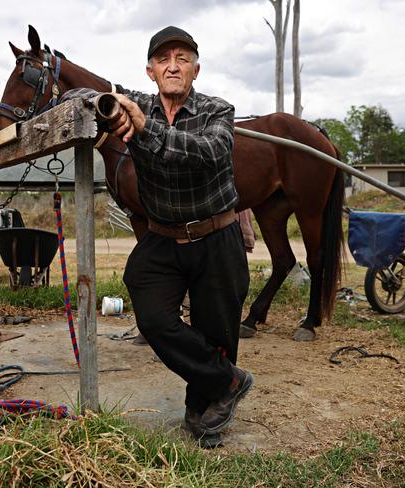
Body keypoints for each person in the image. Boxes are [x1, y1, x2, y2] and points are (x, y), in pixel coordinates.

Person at [63, 26, 253, 448]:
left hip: (215, 234)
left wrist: (144, 127)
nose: (173, 66)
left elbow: (210, 153)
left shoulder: (217, 110)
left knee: (216, 329)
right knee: (152, 318)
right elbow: (73, 94)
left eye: (182, 59)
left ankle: (204, 409)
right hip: (162, 237)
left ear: (195, 70)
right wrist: (104, 103)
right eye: (163, 59)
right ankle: (229, 381)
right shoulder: (137, 102)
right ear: (150, 71)